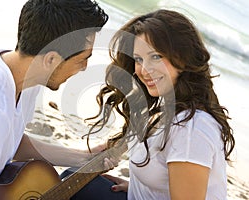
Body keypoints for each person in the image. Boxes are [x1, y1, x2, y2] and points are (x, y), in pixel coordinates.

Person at [0, 0, 111, 199]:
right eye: (82, 59)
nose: (85, 67)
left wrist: (84, 156)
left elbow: (11, 141)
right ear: (50, 60)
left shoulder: (19, 76)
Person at [69, 9, 235, 200]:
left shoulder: (191, 129)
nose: (144, 69)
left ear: (182, 56)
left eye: (155, 56)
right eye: (139, 59)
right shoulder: (168, 110)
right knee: (74, 182)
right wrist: (137, 188)